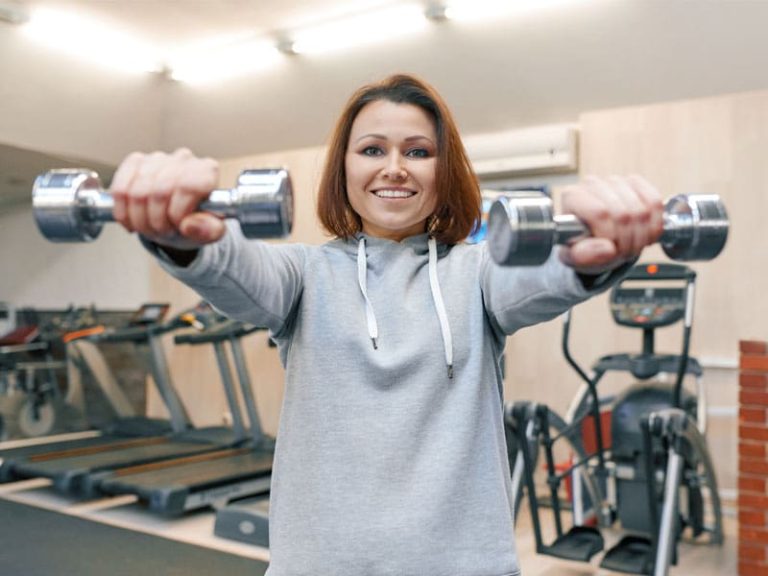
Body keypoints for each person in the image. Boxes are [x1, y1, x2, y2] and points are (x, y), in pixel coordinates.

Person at [110, 73, 663, 576]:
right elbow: (235, 267)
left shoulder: (479, 275)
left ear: (442, 171)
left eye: (418, 151)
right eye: (372, 149)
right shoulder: (303, 275)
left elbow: (539, 278)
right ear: (344, 168)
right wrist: (181, 237)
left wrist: (593, 254)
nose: (394, 167)